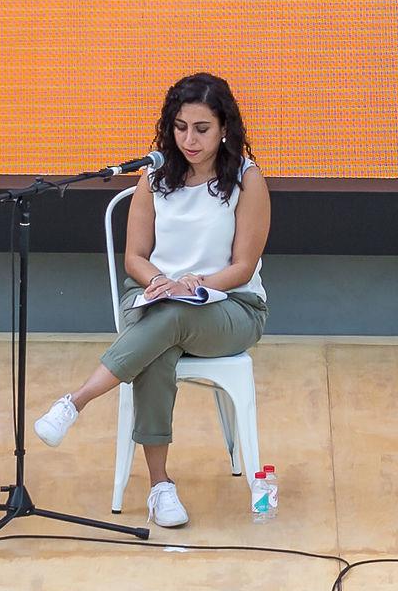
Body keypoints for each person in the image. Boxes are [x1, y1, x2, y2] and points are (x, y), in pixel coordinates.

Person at [29, 73, 269, 528]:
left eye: (202, 129)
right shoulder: (155, 176)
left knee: (170, 318)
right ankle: (160, 486)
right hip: (153, 297)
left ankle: (76, 401)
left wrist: (192, 286)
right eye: (180, 127)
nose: (189, 140)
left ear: (225, 128)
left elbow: (243, 266)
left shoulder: (246, 178)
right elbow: (134, 258)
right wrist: (160, 281)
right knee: (161, 338)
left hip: (232, 307)